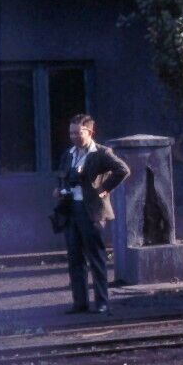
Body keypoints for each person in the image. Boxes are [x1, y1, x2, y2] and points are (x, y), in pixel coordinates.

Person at [56, 113, 130, 315]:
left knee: (96, 258)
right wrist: (60, 190)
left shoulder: (102, 153)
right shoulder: (68, 154)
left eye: (77, 133)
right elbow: (62, 176)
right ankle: (79, 303)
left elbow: (123, 170)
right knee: (75, 259)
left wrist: (105, 189)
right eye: (70, 133)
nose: (73, 137)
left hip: (92, 212)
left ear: (89, 132)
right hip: (71, 211)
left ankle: (102, 302)